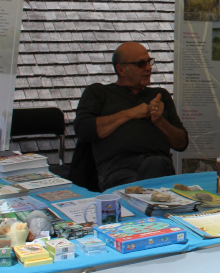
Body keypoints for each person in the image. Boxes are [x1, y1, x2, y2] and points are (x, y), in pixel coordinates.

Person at [74, 42, 188, 190]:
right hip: (117, 168)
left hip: (158, 165)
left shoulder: (160, 96)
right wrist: (130, 113)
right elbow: (84, 130)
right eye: (140, 64)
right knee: (139, 185)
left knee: (155, 165)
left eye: (149, 61)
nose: (148, 68)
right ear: (121, 70)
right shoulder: (99, 93)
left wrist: (160, 121)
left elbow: (181, 143)